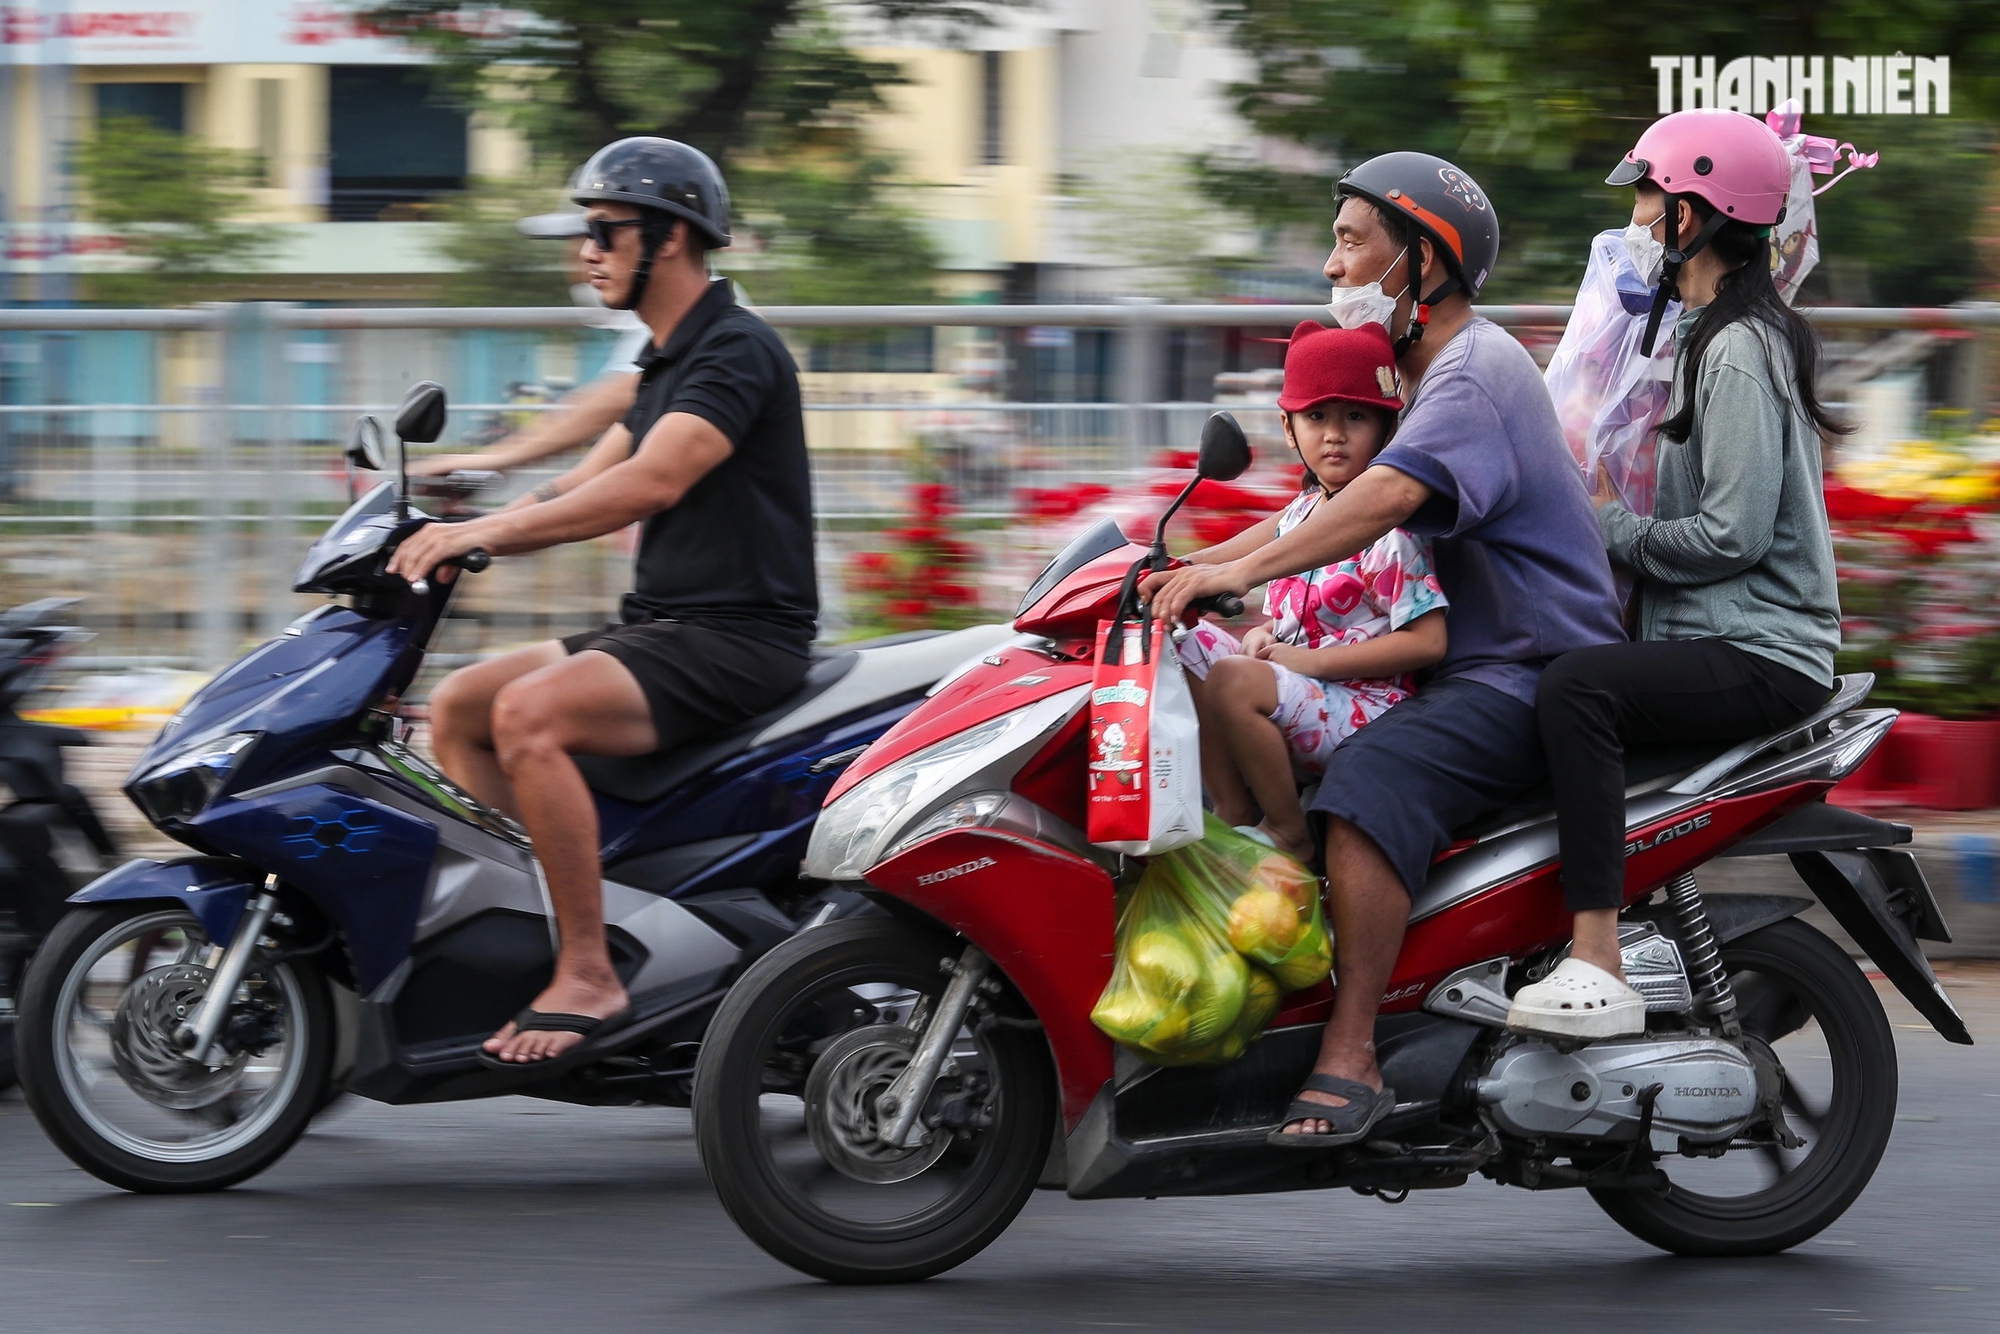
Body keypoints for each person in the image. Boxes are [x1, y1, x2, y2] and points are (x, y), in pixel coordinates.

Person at [1146, 153, 1625, 1146]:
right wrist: (1169, 566)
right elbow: (1310, 510)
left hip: (1519, 672)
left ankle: (1350, 1049)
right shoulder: (1413, 375)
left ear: (1422, 260)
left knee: (1367, 783)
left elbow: (1378, 503)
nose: (1332, 265)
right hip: (1462, 667)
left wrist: (1228, 576)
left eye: (1351, 241)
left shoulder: (1472, 370)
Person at [386, 137, 818, 1066]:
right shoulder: (673, 361)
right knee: (460, 710)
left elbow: (647, 484)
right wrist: (474, 494)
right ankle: (602, 913)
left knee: (526, 716)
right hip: (666, 625)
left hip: (738, 636)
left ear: (669, 238)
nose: (585, 252)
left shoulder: (736, 353)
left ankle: (590, 968)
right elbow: (581, 476)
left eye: (602, 232)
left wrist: (480, 536)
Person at [1508, 109, 1842, 1038]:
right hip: (1716, 633)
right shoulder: (1698, 334)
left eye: (1649, 197)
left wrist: (1607, 525)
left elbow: (1732, 534)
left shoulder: (1736, 349)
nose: (1637, 219)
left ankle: (1596, 954)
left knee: (1577, 691)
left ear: (1692, 217)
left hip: (1761, 648)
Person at [1175, 320, 1448, 867]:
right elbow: (1292, 608)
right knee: (1183, 642)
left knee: (1231, 679)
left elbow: (1428, 642)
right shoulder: (1305, 512)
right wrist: (1260, 630)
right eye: (1316, 416)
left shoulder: (1385, 528)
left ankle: (1288, 830)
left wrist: (1307, 662)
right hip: (1303, 683)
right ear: (1288, 426)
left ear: (1386, 428)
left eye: (1356, 416)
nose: (1335, 434)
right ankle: (1233, 810)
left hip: (1367, 705)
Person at [407, 202, 647, 480]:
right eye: (575, 247)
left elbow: (621, 394)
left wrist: (496, 459)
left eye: (601, 237)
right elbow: (582, 479)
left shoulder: (684, 328)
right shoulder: (647, 332)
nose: (584, 259)